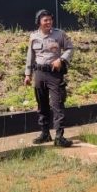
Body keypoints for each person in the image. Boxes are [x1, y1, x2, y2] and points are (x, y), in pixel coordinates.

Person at [24, 9, 74, 147]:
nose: (48, 22)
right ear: (39, 22)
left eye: (50, 20)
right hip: (39, 74)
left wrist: (62, 59)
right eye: (45, 20)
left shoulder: (59, 34)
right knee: (42, 105)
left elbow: (70, 48)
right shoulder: (33, 36)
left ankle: (59, 136)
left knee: (57, 104)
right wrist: (28, 74)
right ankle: (45, 133)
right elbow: (30, 56)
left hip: (54, 73)